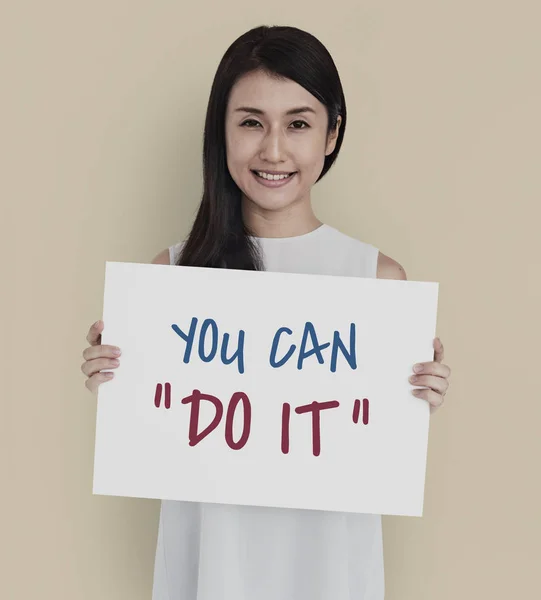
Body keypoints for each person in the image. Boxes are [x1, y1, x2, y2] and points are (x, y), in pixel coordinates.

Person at [81, 24, 451, 600]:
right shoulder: (170, 277)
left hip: (332, 570)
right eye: (251, 122)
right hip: (208, 569)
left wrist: (417, 392)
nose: (273, 149)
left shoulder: (378, 280)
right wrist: (117, 373)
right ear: (221, 133)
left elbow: (375, 442)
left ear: (332, 134)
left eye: (298, 123)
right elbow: (154, 427)